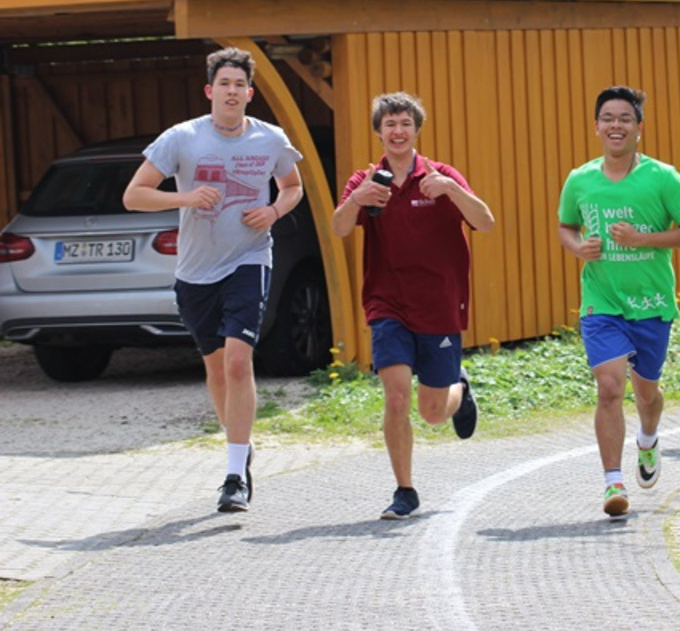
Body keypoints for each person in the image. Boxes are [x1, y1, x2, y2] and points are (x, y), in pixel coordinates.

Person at [123, 47, 304, 512]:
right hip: (196, 272)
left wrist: (273, 210)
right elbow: (134, 196)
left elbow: (293, 186)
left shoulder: (271, 140)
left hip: (248, 259)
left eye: (238, 84)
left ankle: (233, 476)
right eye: (223, 84)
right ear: (210, 91)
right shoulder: (181, 138)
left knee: (239, 363)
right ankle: (240, 448)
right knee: (216, 370)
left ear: (250, 92)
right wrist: (183, 199)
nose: (231, 91)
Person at [333, 91, 495, 520]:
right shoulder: (367, 181)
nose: (398, 131)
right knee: (397, 395)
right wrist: (356, 200)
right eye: (390, 124)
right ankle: (405, 491)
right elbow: (338, 228)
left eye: (405, 123)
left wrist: (451, 190)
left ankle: (460, 390)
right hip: (387, 303)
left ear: (416, 129)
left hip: (440, 303)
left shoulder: (441, 175)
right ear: (379, 132)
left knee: (433, 412)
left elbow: (485, 221)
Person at [558, 85, 680, 517]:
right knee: (609, 388)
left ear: (639, 127)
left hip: (652, 302)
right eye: (608, 118)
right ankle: (612, 483)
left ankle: (647, 438)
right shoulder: (580, 179)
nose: (615, 125)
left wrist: (644, 239)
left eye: (625, 118)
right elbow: (566, 226)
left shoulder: (662, 177)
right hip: (601, 301)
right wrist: (577, 247)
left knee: (646, 394)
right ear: (596, 126)